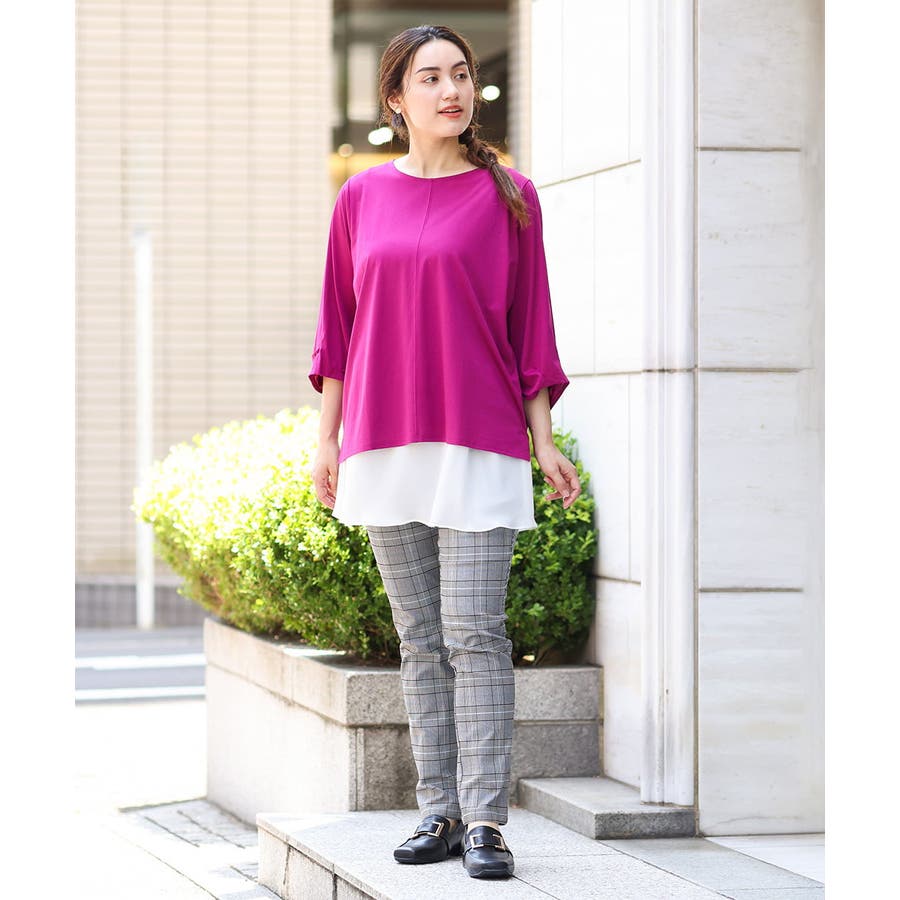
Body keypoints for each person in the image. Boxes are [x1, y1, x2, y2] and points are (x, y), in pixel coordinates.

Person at [309, 24, 581, 880]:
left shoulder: (511, 197)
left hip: (481, 441)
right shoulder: (360, 198)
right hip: (382, 442)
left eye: (460, 74)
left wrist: (544, 440)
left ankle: (487, 820)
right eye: (430, 78)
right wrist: (326, 439)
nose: (452, 90)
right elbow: (338, 328)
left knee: (475, 633)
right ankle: (439, 811)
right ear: (397, 98)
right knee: (419, 638)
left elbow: (531, 327)